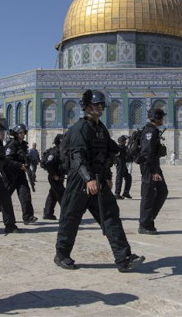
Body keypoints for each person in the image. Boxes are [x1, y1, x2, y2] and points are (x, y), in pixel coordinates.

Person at [54, 89, 144, 273]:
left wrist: (110, 175)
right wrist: (88, 179)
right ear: (86, 107)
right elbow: (78, 156)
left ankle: (123, 258)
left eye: (102, 105)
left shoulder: (100, 128)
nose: (100, 108)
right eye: (96, 105)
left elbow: (109, 151)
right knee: (70, 218)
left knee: (111, 216)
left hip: (98, 179)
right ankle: (61, 255)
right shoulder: (80, 129)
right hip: (80, 181)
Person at [0, 124, 37, 224]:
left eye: (23, 132)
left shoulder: (23, 145)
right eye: (20, 133)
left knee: (25, 195)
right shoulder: (12, 144)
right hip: (9, 175)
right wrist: (19, 165)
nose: (22, 134)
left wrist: (27, 165)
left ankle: (28, 216)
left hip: (20, 174)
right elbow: (7, 160)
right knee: (5, 196)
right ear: (16, 134)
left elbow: (25, 157)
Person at [138, 108, 169, 235]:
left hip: (154, 167)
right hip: (149, 168)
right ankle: (144, 225)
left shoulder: (154, 131)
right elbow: (146, 153)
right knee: (148, 196)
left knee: (162, 191)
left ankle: (149, 219)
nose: (163, 119)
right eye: (162, 117)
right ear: (157, 118)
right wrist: (153, 171)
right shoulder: (149, 131)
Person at [40, 134, 66, 220]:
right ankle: (67, 214)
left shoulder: (62, 151)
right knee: (62, 195)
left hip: (59, 177)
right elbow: (48, 164)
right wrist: (53, 174)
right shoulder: (54, 152)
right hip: (54, 177)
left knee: (53, 195)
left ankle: (48, 213)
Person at [114, 135, 132, 200]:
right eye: (124, 141)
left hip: (123, 165)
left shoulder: (123, 147)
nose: (125, 142)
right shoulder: (119, 148)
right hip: (120, 165)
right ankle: (117, 193)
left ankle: (126, 192)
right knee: (119, 178)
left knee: (128, 178)